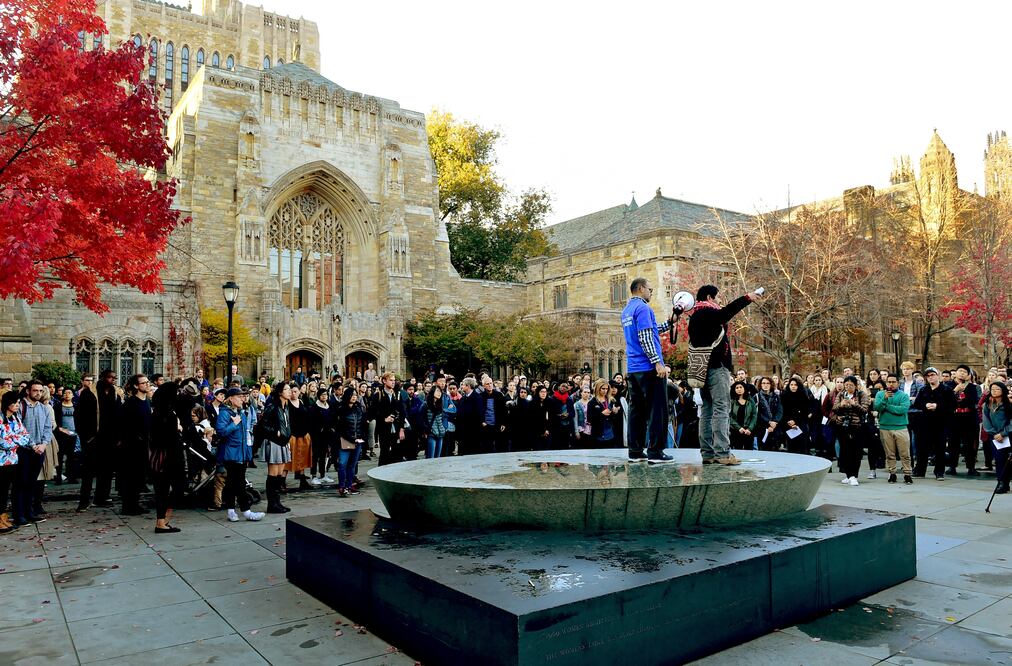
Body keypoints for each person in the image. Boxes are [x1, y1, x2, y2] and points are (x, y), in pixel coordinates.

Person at [687, 284, 760, 465]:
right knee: (721, 409)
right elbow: (727, 312)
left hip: (701, 371)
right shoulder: (708, 313)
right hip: (717, 369)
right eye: (718, 298)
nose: (720, 302)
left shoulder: (694, 316)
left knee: (706, 411)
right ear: (710, 297)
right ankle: (723, 453)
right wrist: (747, 298)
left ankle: (708, 453)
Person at [621, 277, 674, 462]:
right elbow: (645, 338)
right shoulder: (643, 308)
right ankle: (655, 452)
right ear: (641, 288)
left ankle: (635, 452)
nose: (651, 292)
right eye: (650, 289)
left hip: (633, 369)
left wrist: (669, 324)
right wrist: (657, 362)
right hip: (649, 368)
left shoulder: (627, 310)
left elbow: (649, 331)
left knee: (636, 412)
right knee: (657, 411)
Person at [216, 388, 264, 522]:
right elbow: (221, 432)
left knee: (233, 483)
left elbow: (245, 435)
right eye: (239, 397)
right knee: (238, 483)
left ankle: (231, 511)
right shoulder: (225, 413)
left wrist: (248, 453)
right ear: (231, 398)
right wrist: (233, 424)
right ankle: (246, 511)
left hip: (241, 452)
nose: (242, 399)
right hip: (231, 453)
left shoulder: (242, 412)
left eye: (243, 397)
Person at [150, 381, 185, 533]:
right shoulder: (166, 414)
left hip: (162, 455)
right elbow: (167, 437)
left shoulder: (159, 411)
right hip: (168, 455)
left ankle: (163, 520)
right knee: (168, 488)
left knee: (163, 488)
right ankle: (162, 521)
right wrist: (176, 429)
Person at [913, 367, 955, 480]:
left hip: (940, 423)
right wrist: (925, 405)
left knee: (940, 448)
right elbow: (917, 404)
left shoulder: (946, 390)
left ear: (938, 375)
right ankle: (920, 470)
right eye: (928, 375)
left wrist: (938, 406)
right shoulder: (923, 390)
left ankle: (939, 472)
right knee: (923, 447)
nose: (931, 377)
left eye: (933, 375)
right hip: (925, 422)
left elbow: (953, 405)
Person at [119, 374, 152, 515]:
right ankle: (128, 506)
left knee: (139, 476)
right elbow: (125, 424)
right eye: (143, 383)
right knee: (130, 476)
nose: (147, 384)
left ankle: (135, 503)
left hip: (144, 444)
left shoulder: (147, 402)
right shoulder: (131, 403)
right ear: (136, 386)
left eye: (147, 382)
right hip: (131, 446)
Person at [832, 376, 870, 486]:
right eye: (846, 385)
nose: (848, 387)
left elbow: (864, 410)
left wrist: (854, 404)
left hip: (857, 426)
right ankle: (848, 475)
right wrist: (841, 405)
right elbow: (834, 409)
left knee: (856, 451)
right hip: (843, 426)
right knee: (845, 451)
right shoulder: (841, 394)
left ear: (856, 385)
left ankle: (854, 475)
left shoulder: (861, 394)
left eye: (851, 385)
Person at [875, 374, 913, 484]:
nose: (891, 384)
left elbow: (902, 410)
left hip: (900, 427)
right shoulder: (880, 394)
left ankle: (907, 474)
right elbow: (877, 407)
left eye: (893, 382)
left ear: (898, 383)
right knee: (889, 453)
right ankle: (892, 473)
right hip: (885, 427)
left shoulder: (903, 395)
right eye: (889, 382)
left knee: (905, 453)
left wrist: (887, 407)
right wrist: (885, 399)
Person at [261, 381, 293, 513]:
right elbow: (263, 424)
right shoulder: (272, 406)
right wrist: (275, 431)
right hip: (274, 441)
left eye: (290, 389)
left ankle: (277, 502)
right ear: (280, 392)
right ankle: (272, 504)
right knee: (273, 474)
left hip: (283, 441)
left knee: (280, 474)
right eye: (286, 389)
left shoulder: (286, 407)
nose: (289, 391)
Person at [0, 391, 27, 532]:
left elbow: (25, 436)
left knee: (5, 491)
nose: (17, 405)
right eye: (15, 403)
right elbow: (2, 442)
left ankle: (3, 517)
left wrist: (13, 440)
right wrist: (15, 440)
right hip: (1, 461)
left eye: (18, 403)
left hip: (13, 459)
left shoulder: (15, 419)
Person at [948, 364, 982, 477]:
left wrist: (958, 401)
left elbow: (972, 401)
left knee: (969, 443)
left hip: (969, 418)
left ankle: (971, 467)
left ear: (968, 375)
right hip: (954, 418)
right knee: (953, 443)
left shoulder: (972, 387)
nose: (962, 373)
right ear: (956, 373)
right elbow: (946, 401)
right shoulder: (949, 386)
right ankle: (952, 466)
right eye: (960, 371)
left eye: (964, 372)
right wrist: (955, 391)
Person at [982, 381, 1012, 494]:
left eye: (997, 389)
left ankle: (1007, 481)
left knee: (1008, 461)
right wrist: (994, 433)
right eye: (992, 389)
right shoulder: (987, 404)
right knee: (999, 460)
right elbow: (986, 421)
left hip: (1008, 435)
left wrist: (1004, 433)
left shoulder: (1008, 404)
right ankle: (1001, 482)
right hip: (995, 437)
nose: (994, 391)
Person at [370, 372, 405, 465]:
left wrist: (401, 429)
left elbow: (402, 412)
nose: (393, 382)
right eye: (391, 380)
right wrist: (384, 419)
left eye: (394, 380)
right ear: (384, 381)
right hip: (383, 429)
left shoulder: (397, 394)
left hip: (396, 428)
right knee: (384, 452)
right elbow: (372, 412)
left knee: (396, 453)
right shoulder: (378, 395)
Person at [337, 387, 365, 496]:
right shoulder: (341, 409)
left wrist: (360, 436)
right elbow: (340, 428)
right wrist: (351, 438)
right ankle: (342, 487)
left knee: (352, 465)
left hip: (357, 440)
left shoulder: (358, 408)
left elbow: (362, 424)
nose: (354, 397)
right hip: (345, 440)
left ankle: (349, 486)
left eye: (355, 395)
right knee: (342, 464)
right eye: (352, 395)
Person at [309, 387, 336, 486]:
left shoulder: (329, 406)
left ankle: (323, 474)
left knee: (324, 455)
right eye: (322, 395)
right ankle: (313, 475)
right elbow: (311, 422)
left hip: (327, 434)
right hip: (317, 435)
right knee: (315, 455)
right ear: (319, 396)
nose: (324, 396)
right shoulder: (314, 407)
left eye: (326, 395)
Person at [780, 377, 812, 455]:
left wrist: (795, 421)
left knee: (802, 449)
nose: (793, 386)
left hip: (801, 425)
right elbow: (782, 411)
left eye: (795, 385)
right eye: (791, 385)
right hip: (789, 426)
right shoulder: (784, 396)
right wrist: (789, 421)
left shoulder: (803, 396)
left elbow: (805, 412)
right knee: (791, 450)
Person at [587, 379, 618, 448]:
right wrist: (601, 414)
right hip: (598, 434)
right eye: (603, 388)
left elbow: (614, 419)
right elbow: (589, 419)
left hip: (610, 434)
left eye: (606, 389)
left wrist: (615, 412)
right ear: (598, 388)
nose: (605, 391)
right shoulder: (592, 402)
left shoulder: (611, 400)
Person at [729, 380, 758, 451]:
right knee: (738, 450)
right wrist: (738, 428)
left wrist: (750, 428)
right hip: (736, 431)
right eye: (737, 388)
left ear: (744, 388)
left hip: (748, 431)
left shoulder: (751, 401)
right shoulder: (732, 401)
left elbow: (754, 415)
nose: (739, 389)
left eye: (741, 387)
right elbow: (729, 416)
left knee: (749, 450)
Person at [423, 386, 446, 459]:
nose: (439, 393)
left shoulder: (440, 404)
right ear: (432, 392)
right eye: (437, 391)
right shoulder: (425, 404)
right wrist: (425, 430)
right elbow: (421, 419)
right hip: (431, 433)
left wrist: (444, 428)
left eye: (440, 391)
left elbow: (442, 418)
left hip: (440, 433)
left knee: (438, 458)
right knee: (431, 458)